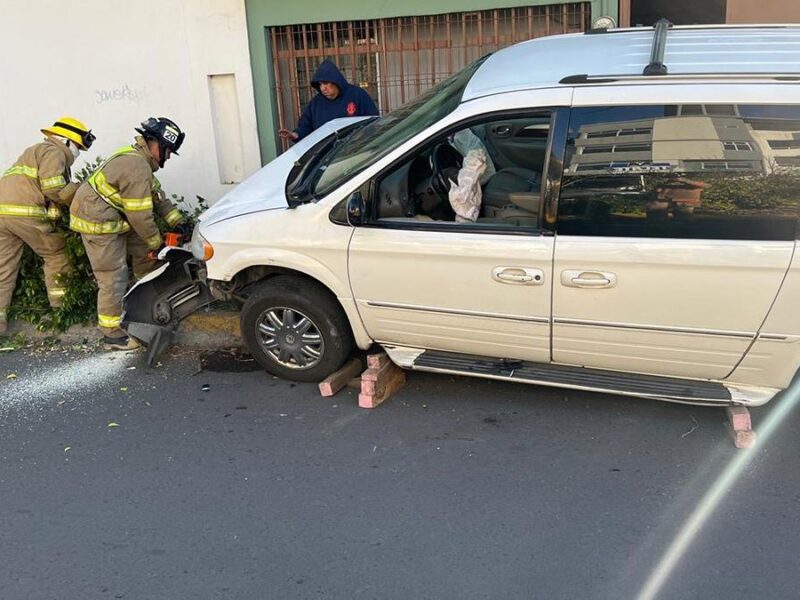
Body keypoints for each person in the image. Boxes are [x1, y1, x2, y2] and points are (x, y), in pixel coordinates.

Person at [70, 117, 188, 350]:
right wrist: (158, 244)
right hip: (97, 223)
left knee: (145, 253)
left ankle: (144, 303)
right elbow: (140, 217)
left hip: (114, 219)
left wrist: (179, 223)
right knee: (113, 275)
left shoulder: (140, 161)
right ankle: (113, 335)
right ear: (155, 144)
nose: (168, 157)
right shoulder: (136, 167)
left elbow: (157, 199)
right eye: (168, 151)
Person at [0, 117, 95, 336]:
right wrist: (79, 195)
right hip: (25, 213)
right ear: (66, 140)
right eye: (78, 147)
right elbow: (53, 187)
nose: (78, 153)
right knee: (57, 254)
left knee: (4, 269)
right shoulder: (54, 151)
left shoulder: (34, 151)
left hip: (3, 213)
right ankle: (61, 310)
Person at [279, 59, 379, 143]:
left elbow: (373, 122)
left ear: (336, 81)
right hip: (327, 155)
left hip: (355, 151)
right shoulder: (316, 104)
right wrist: (295, 135)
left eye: (326, 83)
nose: (323, 88)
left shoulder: (357, 95)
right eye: (320, 84)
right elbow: (306, 127)